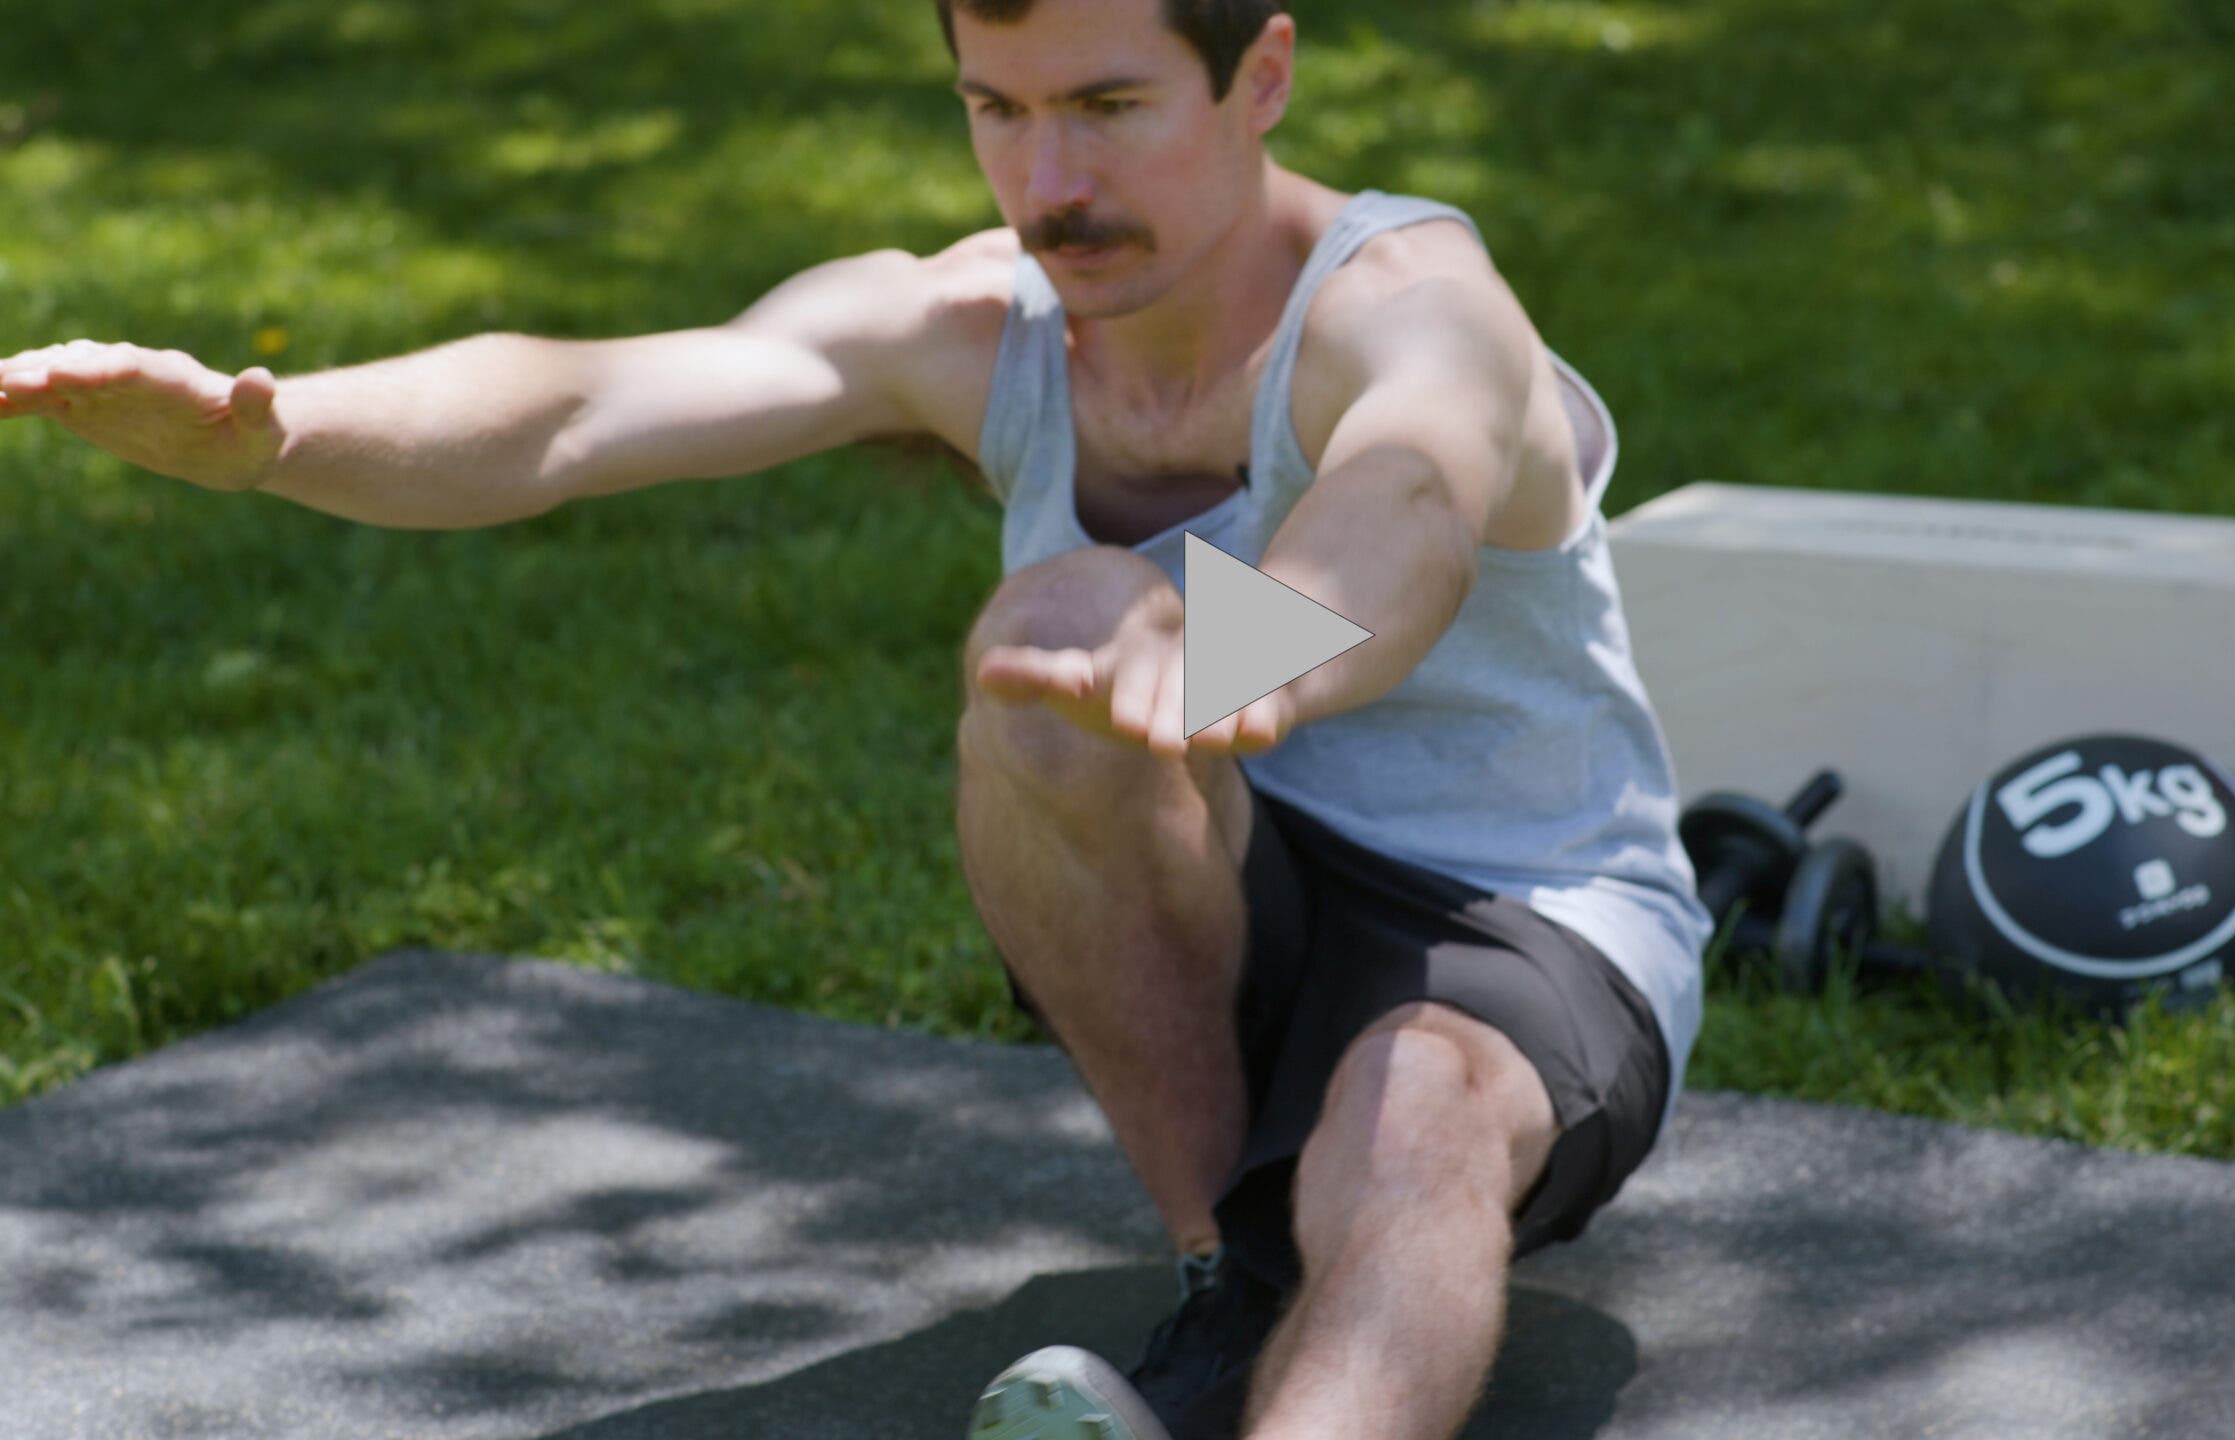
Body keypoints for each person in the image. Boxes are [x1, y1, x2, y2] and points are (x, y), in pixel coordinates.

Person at [0, 1, 1711, 1435]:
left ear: (1260, 78)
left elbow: (1404, 506)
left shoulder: (1408, 299)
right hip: (1224, 888)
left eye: (1110, 107)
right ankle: (1231, 1281)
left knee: (1408, 1117)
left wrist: (1232, 661)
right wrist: (278, 433)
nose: (1051, 183)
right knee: (1052, 644)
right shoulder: (975, 324)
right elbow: (579, 404)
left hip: (1522, 927)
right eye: (998, 109)